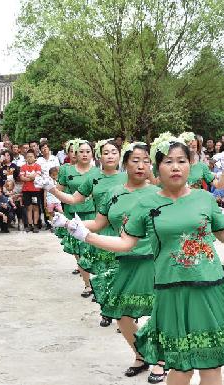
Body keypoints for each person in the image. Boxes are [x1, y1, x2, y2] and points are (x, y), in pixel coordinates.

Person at [56, 134, 224, 385]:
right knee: (181, 366)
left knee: (211, 364)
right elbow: (125, 243)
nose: (176, 167)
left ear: (190, 165)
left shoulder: (204, 199)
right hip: (171, 291)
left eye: (182, 161)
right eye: (168, 161)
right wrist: (85, 235)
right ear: (157, 168)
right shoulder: (147, 204)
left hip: (210, 287)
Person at [62, 142, 165, 382]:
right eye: (135, 160)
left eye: (145, 161)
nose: (140, 166)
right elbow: (98, 224)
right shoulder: (114, 193)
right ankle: (141, 355)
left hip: (155, 259)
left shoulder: (158, 193)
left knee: (159, 310)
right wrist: (70, 224)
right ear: (125, 163)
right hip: (125, 258)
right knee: (121, 313)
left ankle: (160, 360)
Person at [38, 139, 125, 304]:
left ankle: (125, 312)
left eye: (114, 152)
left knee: (124, 270)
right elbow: (72, 199)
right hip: (97, 225)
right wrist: (52, 190)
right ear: (100, 156)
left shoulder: (128, 177)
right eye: (106, 153)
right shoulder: (92, 178)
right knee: (100, 265)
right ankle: (102, 300)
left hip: (124, 230)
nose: (110, 156)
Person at [20, 150, 43, 233]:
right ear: (26, 158)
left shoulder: (38, 166)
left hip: (35, 190)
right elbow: (22, 178)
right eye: (28, 156)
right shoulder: (23, 167)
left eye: (31, 156)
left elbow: (37, 175)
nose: (29, 158)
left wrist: (29, 178)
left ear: (35, 158)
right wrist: (31, 178)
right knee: (28, 208)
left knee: (36, 207)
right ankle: (30, 225)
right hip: (26, 190)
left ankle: (36, 225)